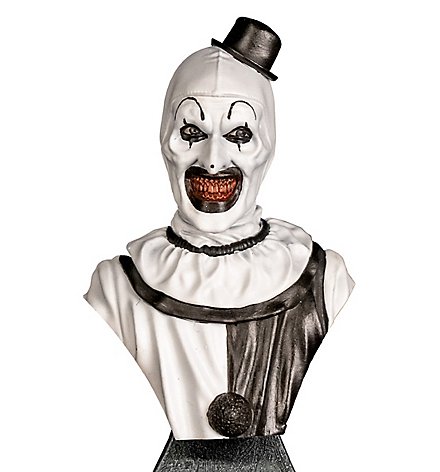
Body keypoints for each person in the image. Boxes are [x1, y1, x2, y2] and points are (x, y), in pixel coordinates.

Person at [85, 18, 354, 440]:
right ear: (166, 140)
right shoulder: (117, 289)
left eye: (239, 133)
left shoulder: (325, 281)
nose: (213, 160)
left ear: (267, 144)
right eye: (192, 131)